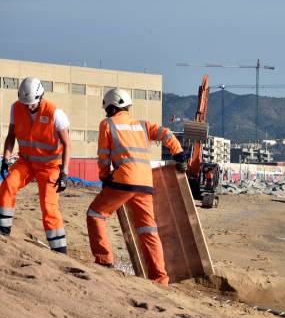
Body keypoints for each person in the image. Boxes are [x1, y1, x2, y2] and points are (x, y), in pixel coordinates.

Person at [86, 88, 187, 286]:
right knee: (148, 230)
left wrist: (104, 178)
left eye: (107, 109)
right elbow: (166, 134)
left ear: (112, 108)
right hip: (145, 183)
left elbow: (103, 156)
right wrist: (179, 154)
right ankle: (160, 279)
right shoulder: (141, 125)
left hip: (124, 180)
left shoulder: (107, 124)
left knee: (95, 215)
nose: (106, 113)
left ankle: (104, 260)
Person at [0, 77, 71, 253]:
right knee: (8, 185)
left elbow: (67, 144)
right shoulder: (16, 108)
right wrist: (6, 159)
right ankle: (3, 232)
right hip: (25, 162)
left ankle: (59, 250)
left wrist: (64, 173)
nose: (28, 107)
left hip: (49, 167)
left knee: (49, 206)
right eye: (25, 103)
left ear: (41, 97)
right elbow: (11, 136)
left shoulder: (56, 114)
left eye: (32, 103)